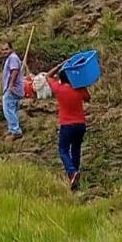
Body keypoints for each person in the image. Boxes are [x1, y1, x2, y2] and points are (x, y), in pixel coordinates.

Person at [47, 62, 91, 190]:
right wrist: (81, 83)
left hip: (67, 124)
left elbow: (47, 77)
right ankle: (75, 174)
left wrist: (58, 66)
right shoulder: (78, 89)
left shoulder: (59, 89)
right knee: (76, 148)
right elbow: (88, 98)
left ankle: (72, 172)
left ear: (61, 79)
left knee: (63, 150)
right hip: (80, 124)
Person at [0, 42, 25, 140]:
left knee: (8, 110)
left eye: (6, 49)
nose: (4, 52)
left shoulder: (13, 58)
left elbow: (14, 71)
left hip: (12, 89)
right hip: (14, 89)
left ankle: (16, 131)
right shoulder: (10, 58)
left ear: (11, 49)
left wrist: (10, 85)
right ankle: (12, 129)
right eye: (2, 50)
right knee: (12, 109)